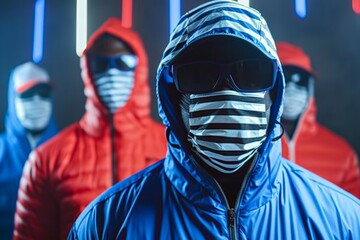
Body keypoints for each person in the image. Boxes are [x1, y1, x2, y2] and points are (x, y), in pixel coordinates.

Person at [69, 1, 360, 239]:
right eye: (200, 73)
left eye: (250, 72)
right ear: (171, 95)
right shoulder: (106, 224)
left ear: (275, 90)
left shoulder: (343, 222)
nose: (227, 92)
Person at [13, 18, 167, 240]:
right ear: (88, 70)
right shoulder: (47, 159)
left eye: (123, 63)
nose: (112, 73)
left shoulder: (173, 149)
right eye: (101, 65)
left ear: (140, 67)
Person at [277, 42, 360, 198]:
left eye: (301, 80)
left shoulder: (341, 154)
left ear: (310, 88)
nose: (292, 88)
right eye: (285, 78)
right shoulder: (251, 148)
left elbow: (353, 217)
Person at [0, 62, 58, 240]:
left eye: (43, 93)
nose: (37, 101)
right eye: (27, 94)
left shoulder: (66, 152)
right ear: (13, 99)